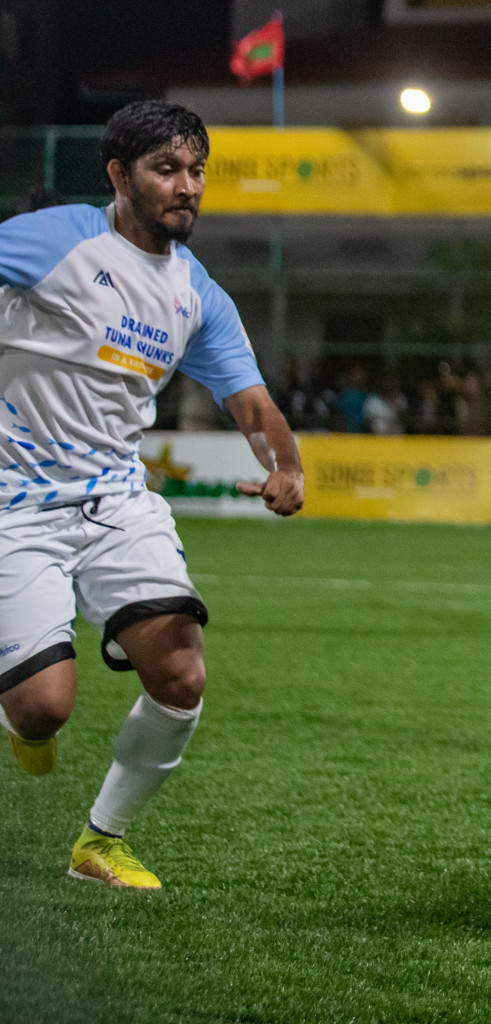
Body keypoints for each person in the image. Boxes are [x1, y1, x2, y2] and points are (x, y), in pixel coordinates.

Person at [0, 101, 304, 889]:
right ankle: (23, 716)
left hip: (118, 506)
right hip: (14, 508)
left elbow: (252, 403)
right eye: (167, 169)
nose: (187, 186)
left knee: (182, 676)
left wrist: (285, 465)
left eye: (197, 170)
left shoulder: (197, 293)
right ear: (119, 175)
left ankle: (100, 843)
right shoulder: (56, 240)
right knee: (43, 709)